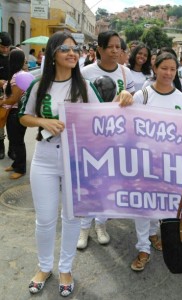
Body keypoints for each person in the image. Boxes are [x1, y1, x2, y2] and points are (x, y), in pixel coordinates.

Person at [18, 31, 105, 297]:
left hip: (75, 160)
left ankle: (65, 268)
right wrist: (43, 122)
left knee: (72, 217)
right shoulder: (37, 85)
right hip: (44, 158)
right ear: (53, 53)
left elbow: (104, 116)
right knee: (44, 219)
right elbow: (24, 116)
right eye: (66, 49)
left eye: (75, 49)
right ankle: (44, 267)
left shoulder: (85, 87)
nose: (72, 53)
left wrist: (124, 101)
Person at [131, 52, 182, 272]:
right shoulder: (142, 96)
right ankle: (143, 246)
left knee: (164, 202)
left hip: (170, 163)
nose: (168, 73)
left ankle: (157, 234)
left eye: (173, 69)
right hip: (143, 161)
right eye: (164, 68)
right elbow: (128, 124)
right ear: (155, 68)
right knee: (142, 204)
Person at [77, 30, 135, 250]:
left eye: (118, 46)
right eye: (109, 46)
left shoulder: (125, 73)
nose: (114, 50)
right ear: (98, 49)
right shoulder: (84, 73)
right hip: (89, 137)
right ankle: (83, 227)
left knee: (108, 182)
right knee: (88, 182)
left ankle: (100, 224)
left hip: (115, 138)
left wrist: (129, 98)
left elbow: (133, 105)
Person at [0, 49, 26, 179]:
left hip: (15, 112)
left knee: (17, 142)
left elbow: (14, 98)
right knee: (14, 140)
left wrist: (1, 102)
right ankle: (16, 164)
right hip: (14, 112)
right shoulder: (17, 75)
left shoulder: (17, 76)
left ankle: (21, 169)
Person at [0, 31, 15, 160]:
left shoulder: (14, 54)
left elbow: (24, 70)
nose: (5, 50)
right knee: (0, 121)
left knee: (12, 121)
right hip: (0, 93)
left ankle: (12, 148)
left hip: (12, 92)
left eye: (7, 47)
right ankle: (0, 146)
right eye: (2, 47)